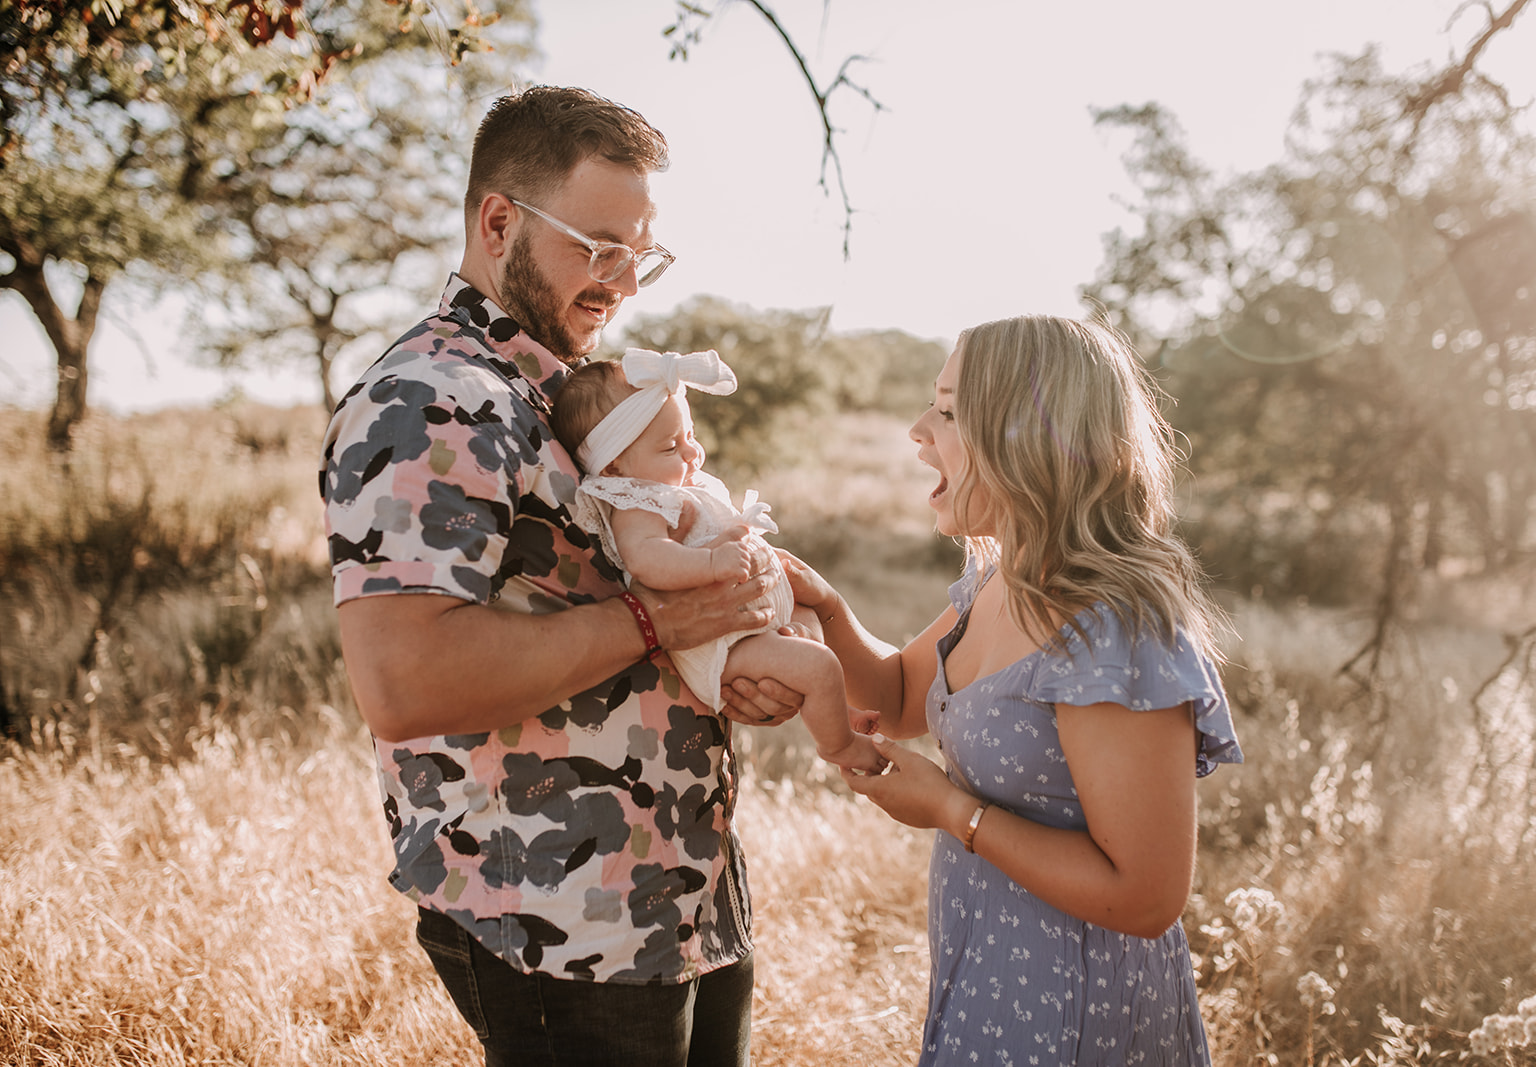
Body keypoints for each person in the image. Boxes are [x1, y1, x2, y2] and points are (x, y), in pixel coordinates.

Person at [319, 86, 807, 1067]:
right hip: (556, 916)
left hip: (679, 887)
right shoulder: (429, 396)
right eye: (598, 246)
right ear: (497, 221)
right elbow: (406, 680)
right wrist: (661, 621)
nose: (624, 280)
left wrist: (723, 652)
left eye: (641, 253)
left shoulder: (565, 388)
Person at [785, 315, 1244, 1065]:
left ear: (1027, 435)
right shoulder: (1000, 580)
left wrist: (947, 808)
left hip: (1075, 1011)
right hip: (990, 982)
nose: (917, 429)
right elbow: (901, 696)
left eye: (949, 410)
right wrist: (828, 608)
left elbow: (1148, 895)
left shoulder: (1112, 631)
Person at [550, 348, 886, 776]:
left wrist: (732, 543)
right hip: (721, 642)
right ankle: (840, 746)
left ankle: (838, 709)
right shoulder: (635, 502)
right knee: (819, 665)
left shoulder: (672, 484)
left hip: (751, 617)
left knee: (811, 631)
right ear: (615, 466)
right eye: (672, 446)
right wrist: (711, 564)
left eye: (690, 436)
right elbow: (648, 558)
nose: (692, 454)